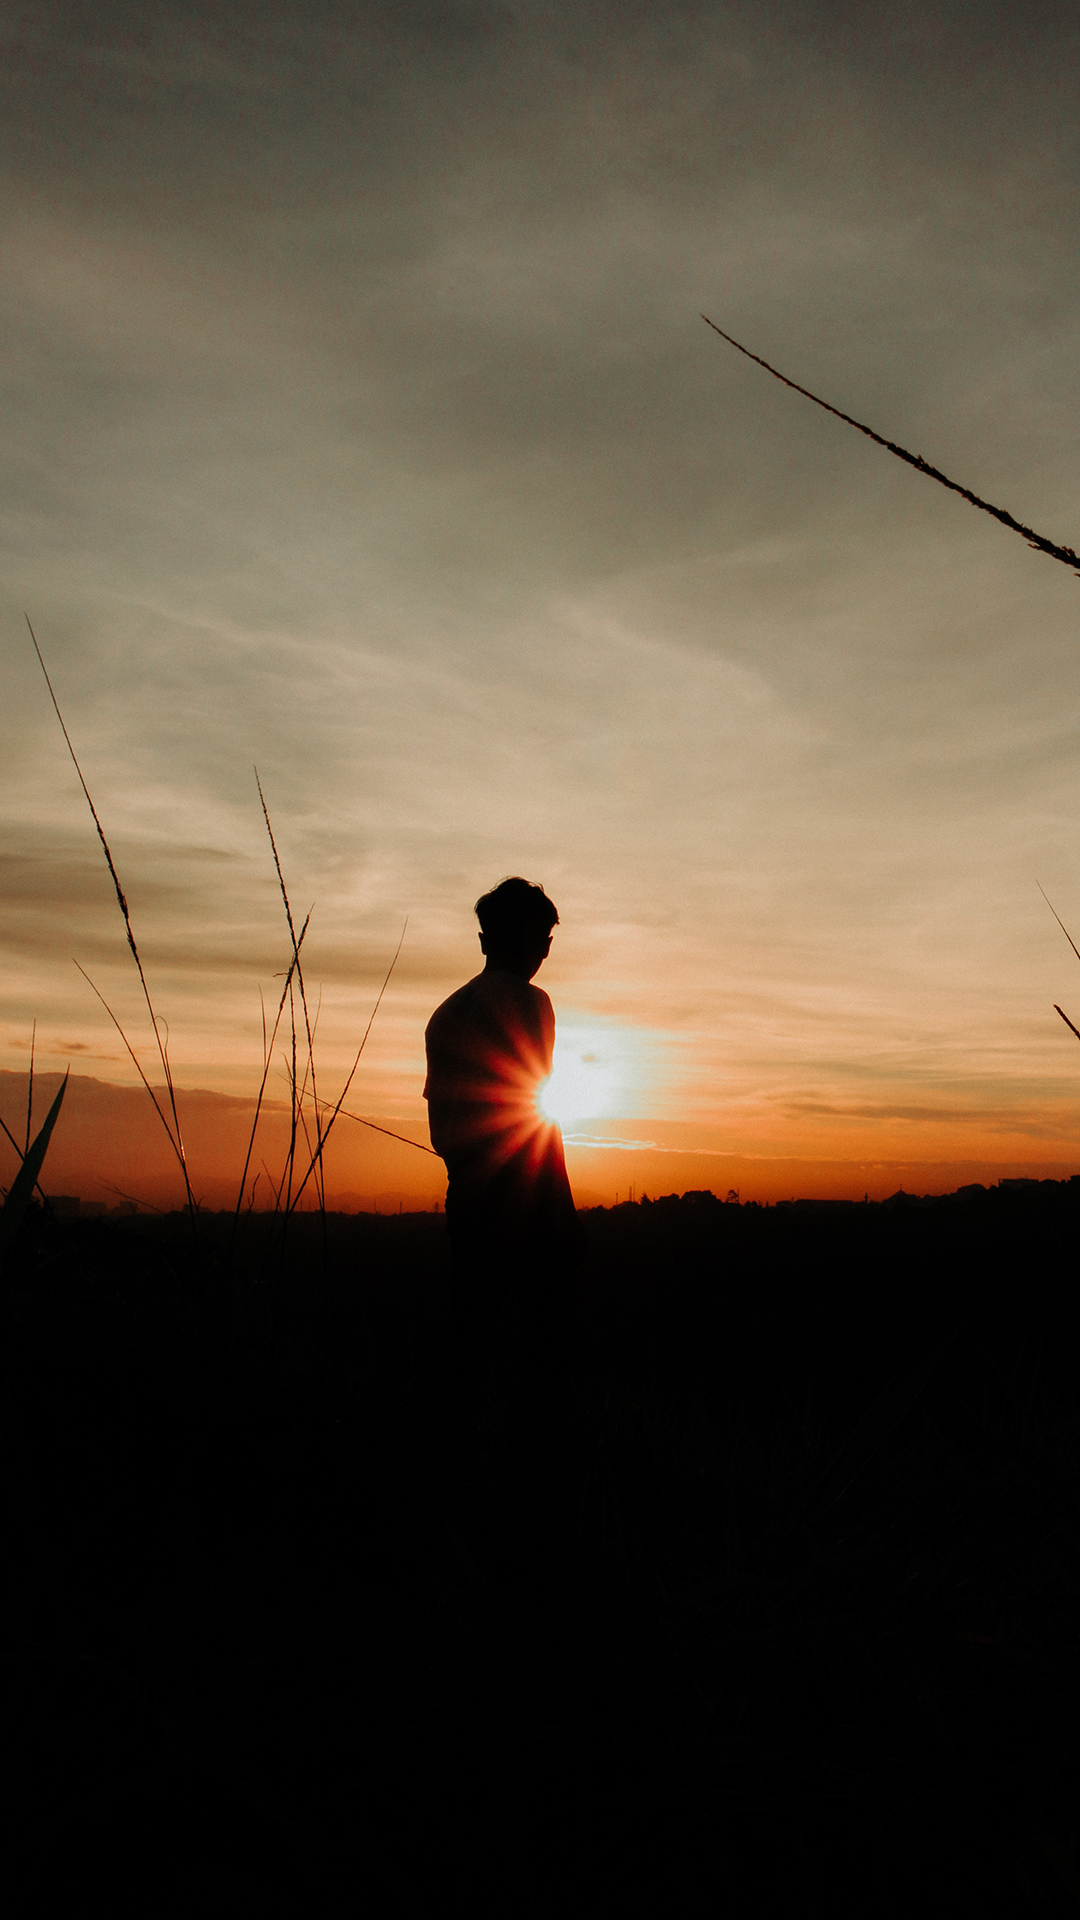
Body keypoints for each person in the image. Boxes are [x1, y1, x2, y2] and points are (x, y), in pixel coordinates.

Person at [424, 877, 586, 1412]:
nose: (541, 951)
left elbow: (442, 1124)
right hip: (524, 1195)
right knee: (548, 1340)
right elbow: (533, 1109)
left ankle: (448, 1437)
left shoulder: (445, 1012)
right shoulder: (532, 1002)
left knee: (469, 1330)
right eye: (539, 938)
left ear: (483, 941)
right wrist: (560, 1211)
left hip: (466, 1193)